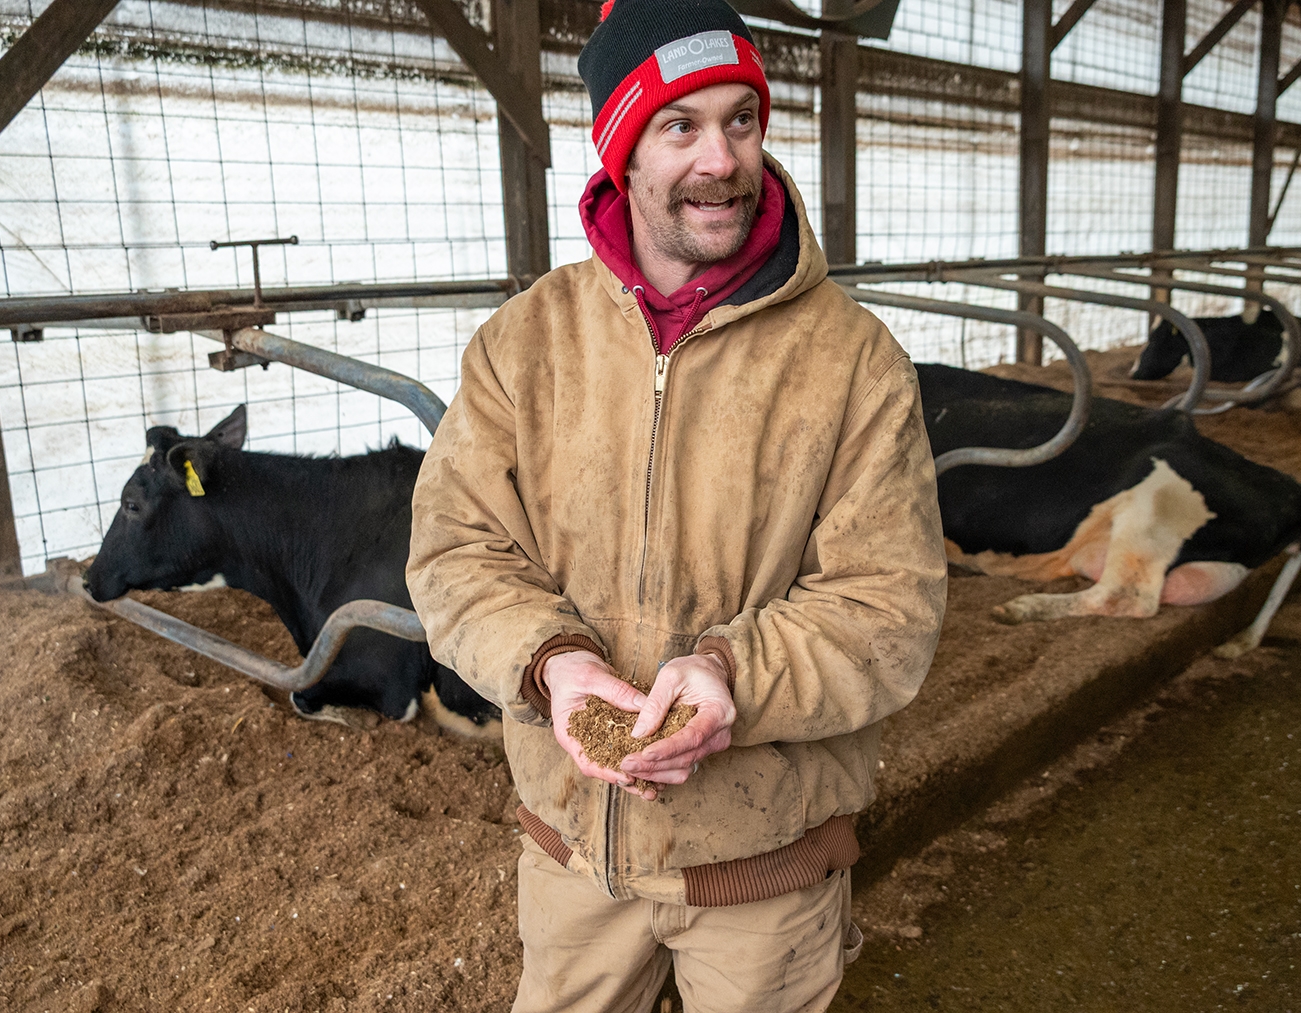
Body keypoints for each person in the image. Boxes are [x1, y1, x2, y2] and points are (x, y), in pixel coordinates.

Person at [405, 1, 946, 1008]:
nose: (722, 159)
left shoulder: (852, 363)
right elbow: (455, 550)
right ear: (621, 150)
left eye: (742, 119)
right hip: (573, 862)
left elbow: (891, 603)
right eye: (681, 126)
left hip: (765, 870)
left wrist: (730, 673)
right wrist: (554, 663)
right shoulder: (526, 344)